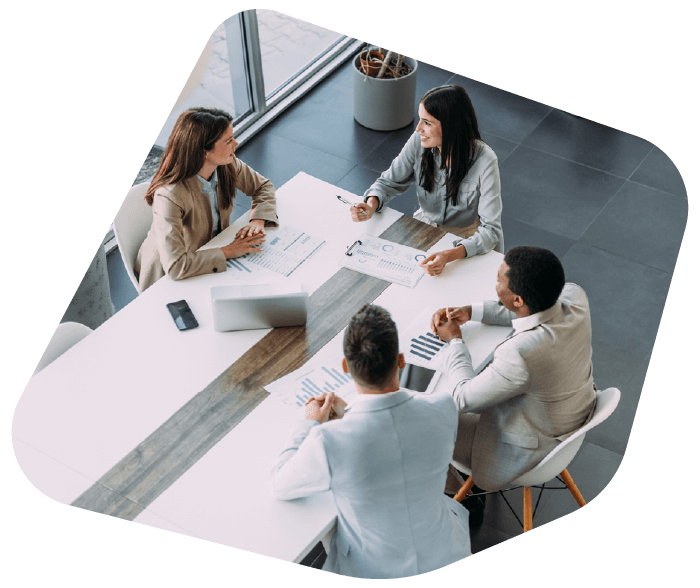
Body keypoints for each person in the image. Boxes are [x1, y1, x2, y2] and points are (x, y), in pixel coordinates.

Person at [270, 304, 471, 579]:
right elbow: (393, 431)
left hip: (375, 569)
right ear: (400, 360)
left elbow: (280, 484)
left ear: (346, 367)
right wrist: (348, 414)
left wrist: (309, 422)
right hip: (446, 550)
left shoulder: (328, 441)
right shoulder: (444, 408)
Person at [431, 246, 598, 493]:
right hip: (571, 415)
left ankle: (455, 491)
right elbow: (533, 311)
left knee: (426, 420)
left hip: (529, 445)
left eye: (499, 281)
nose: (495, 284)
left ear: (518, 299)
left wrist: (455, 340)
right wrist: (472, 311)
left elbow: (462, 398)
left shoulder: (521, 353)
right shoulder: (575, 297)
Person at [349, 85, 503, 277]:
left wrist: (449, 255)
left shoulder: (485, 159)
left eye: (427, 123)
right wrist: (371, 204)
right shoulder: (418, 142)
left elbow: (491, 232)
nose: (418, 129)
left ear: (450, 125)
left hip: (468, 241)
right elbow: (388, 183)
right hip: (426, 228)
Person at [135, 107, 278, 293]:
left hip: (211, 249)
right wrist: (229, 251)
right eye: (228, 141)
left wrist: (257, 221)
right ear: (204, 151)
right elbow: (176, 266)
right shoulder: (169, 195)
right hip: (169, 277)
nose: (235, 143)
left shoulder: (226, 164)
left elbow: (263, 187)